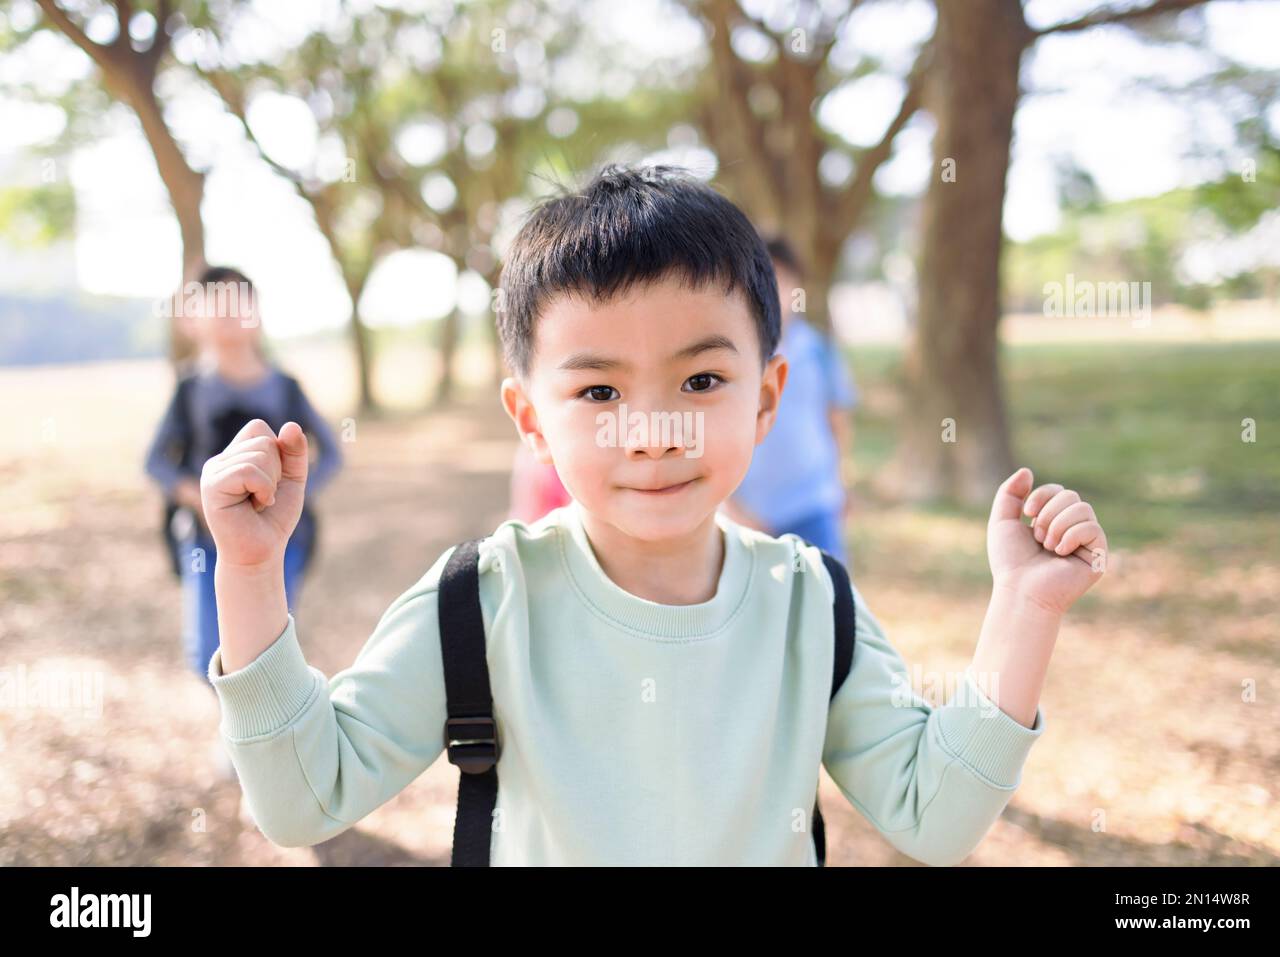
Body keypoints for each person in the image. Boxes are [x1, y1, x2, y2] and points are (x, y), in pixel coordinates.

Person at [199, 164, 1107, 865]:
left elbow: (933, 813)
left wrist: (1023, 611)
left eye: (702, 379)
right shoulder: (481, 599)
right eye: (598, 388)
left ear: (766, 397)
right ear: (530, 420)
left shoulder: (809, 604)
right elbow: (302, 798)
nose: (655, 430)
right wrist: (248, 574)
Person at [143, 265, 342, 776]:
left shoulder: (286, 387)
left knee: (267, 647)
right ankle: (236, 728)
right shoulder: (189, 391)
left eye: (240, 302)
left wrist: (292, 498)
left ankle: (263, 759)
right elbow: (157, 463)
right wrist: (199, 496)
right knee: (203, 651)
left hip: (282, 543)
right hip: (203, 544)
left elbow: (331, 454)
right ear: (192, 319)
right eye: (215, 302)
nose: (230, 313)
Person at [720, 236, 857, 569]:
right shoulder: (727, 357)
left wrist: (840, 484)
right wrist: (730, 507)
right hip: (746, 511)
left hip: (812, 504)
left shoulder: (818, 351)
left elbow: (836, 422)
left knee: (827, 594)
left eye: (782, 282)